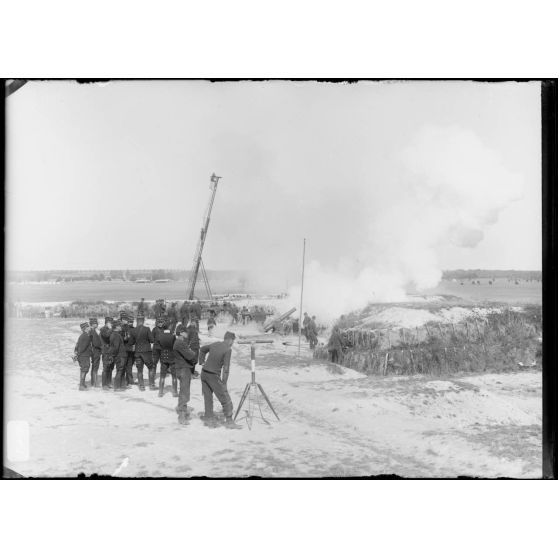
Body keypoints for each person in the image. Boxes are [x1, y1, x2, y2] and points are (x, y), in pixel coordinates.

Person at [198, 331, 240, 428]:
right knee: (224, 397)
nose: (233, 343)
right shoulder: (228, 350)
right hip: (213, 376)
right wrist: (224, 383)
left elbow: (202, 349)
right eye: (233, 340)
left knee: (208, 397)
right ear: (230, 340)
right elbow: (226, 369)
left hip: (204, 373)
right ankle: (229, 421)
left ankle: (208, 418)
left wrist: (201, 361)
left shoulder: (215, 344)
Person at [173, 325, 197, 424]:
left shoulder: (179, 342)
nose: (187, 333)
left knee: (183, 391)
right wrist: (193, 351)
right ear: (181, 332)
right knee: (184, 392)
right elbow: (191, 355)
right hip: (183, 369)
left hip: (180, 369)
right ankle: (182, 417)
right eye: (185, 332)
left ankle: (183, 411)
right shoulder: (180, 343)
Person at [134, 313, 154, 391]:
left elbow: (131, 342)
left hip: (137, 352)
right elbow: (152, 340)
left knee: (139, 370)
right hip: (146, 352)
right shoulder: (147, 329)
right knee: (151, 368)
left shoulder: (133, 330)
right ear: (143, 320)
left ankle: (141, 386)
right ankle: (151, 385)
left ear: (137, 320)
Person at [158, 326, 177, 397]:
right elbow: (175, 346)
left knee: (162, 376)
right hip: (172, 356)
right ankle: (175, 392)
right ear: (169, 328)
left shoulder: (160, 336)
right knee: (174, 376)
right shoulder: (172, 336)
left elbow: (159, 346)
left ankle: (160, 392)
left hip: (163, 356)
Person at [110, 321, 128, 391]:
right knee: (119, 370)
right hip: (120, 356)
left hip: (119, 355)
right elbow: (116, 347)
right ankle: (117, 387)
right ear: (116, 327)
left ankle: (120, 386)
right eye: (120, 326)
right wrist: (113, 356)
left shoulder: (115, 334)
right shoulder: (116, 335)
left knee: (120, 370)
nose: (121, 327)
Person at [74, 322, 92, 391]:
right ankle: (81, 385)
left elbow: (77, 346)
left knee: (85, 369)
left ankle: (82, 383)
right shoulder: (85, 336)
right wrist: (78, 355)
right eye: (88, 327)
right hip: (84, 356)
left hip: (83, 355)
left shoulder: (84, 335)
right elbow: (82, 348)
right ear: (85, 329)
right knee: (84, 369)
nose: (90, 328)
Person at [121, 313, 137, 386]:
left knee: (130, 365)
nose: (131, 323)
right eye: (130, 321)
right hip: (124, 350)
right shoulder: (123, 328)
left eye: (132, 322)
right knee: (123, 365)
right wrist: (126, 338)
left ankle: (129, 380)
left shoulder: (134, 329)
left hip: (132, 350)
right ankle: (123, 380)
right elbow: (121, 339)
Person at [100, 317, 114, 389]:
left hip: (111, 351)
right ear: (107, 322)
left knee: (110, 367)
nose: (111, 323)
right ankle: (104, 384)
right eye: (110, 322)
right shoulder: (103, 329)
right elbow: (106, 335)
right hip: (105, 351)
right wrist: (111, 329)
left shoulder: (110, 329)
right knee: (105, 367)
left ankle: (109, 383)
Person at [89, 317, 102, 388]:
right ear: (92, 324)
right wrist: (101, 346)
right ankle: (94, 383)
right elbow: (96, 343)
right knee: (95, 366)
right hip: (95, 351)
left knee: (95, 366)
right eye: (95, 323)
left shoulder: (94, 331)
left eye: (96, 323)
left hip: (96, 351)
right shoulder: (92, 331)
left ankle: (93, 382)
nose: (96, 324)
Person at [151, 317, 165, 382]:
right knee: (154, 363)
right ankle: (152, 376)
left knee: (163, 363)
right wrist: (156, 341)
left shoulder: (165, 329)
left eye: (161, 322)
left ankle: (162, 376)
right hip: (156, 349)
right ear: (157, 323)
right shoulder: (154, 329)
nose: (160, 324)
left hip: (163, 349)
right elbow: (151, 338)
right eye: (159, 322)